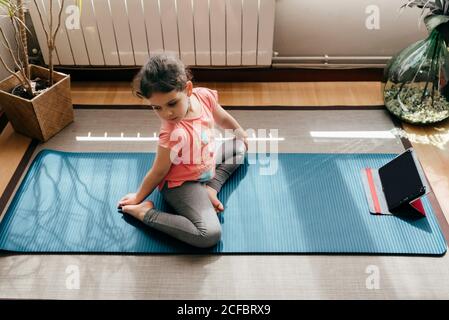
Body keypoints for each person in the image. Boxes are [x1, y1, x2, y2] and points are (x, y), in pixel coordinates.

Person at [118, 53, 248, 248]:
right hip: (181, 184)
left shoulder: (203, 97)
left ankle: (211, 189)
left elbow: (222, 119)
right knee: (209, 235)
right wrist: (138, 198)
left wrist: (241, 134)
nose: (166, 113)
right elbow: (158, 172)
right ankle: (145, 213)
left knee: (239, 146)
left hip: (205, 166)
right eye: (157, 108)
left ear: (188, 89)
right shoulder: (170, 132)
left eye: (172, 103)